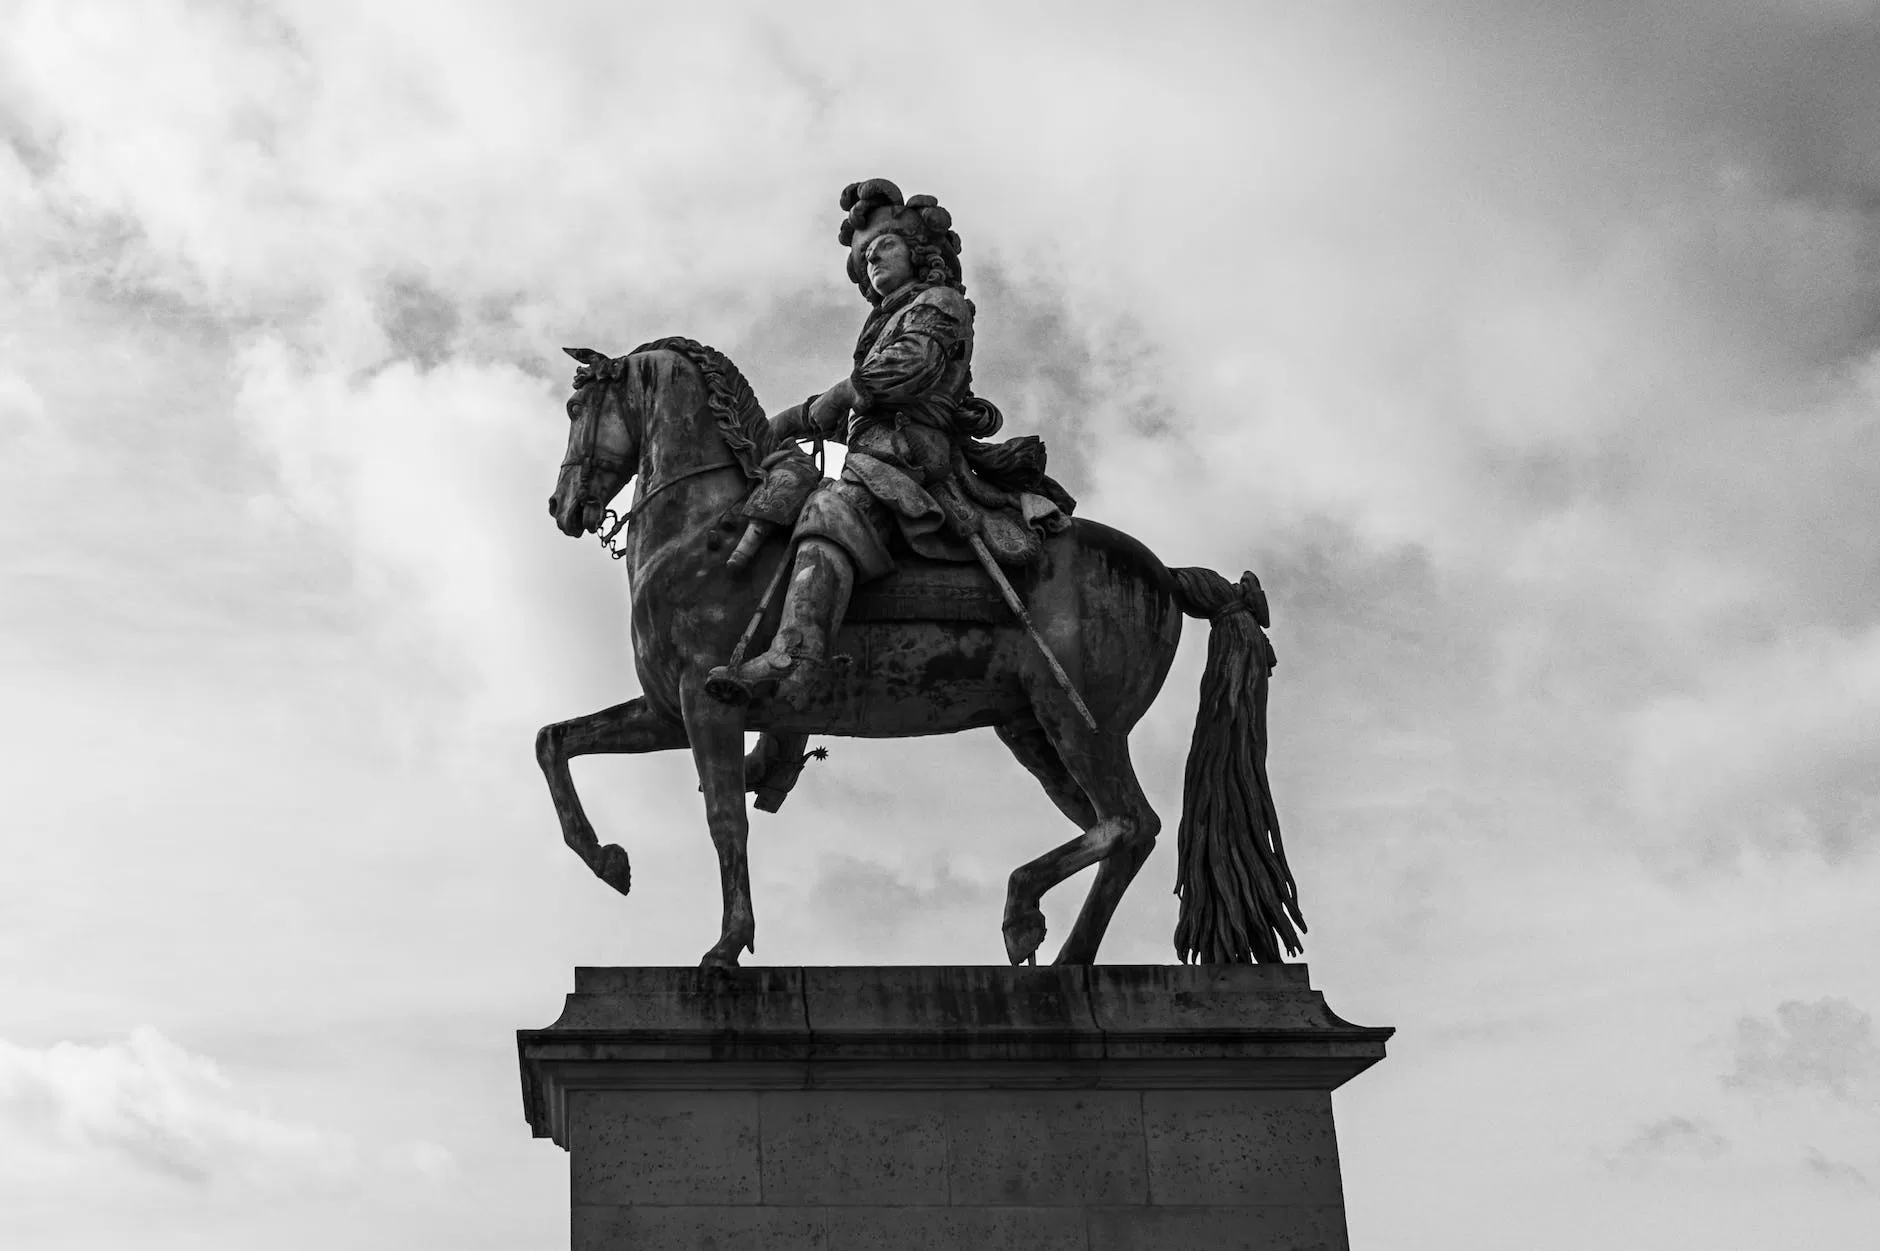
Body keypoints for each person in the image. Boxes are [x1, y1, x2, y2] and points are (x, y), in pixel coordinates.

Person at [706, 178, 1057, 709]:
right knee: (787, 499)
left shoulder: (939, 303)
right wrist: (790, 421)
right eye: (864, 256)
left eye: (883, 246)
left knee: (830, 505)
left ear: (920, 253)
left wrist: (840, 395)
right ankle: (781, 745)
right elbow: (848, 399)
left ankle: (797, 656)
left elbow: (911, 364)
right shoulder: (886, 320)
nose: (872, 260)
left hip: (911, 459)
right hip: (874, 454)